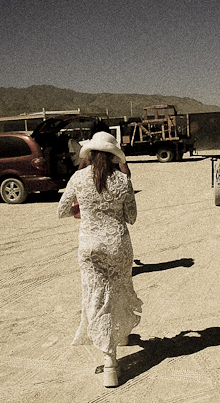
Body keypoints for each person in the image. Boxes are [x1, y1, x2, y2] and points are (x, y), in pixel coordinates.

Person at [57, 131, 142, 388]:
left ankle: (109, 361)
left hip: (90, 248)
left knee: (96, 297)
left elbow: (61, 210)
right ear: (113, 155)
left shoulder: (78, 178)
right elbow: (132, 217)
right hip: (118, 245)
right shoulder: (122, 180)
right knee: (118, 292)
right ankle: (119, 339)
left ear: (91, 154)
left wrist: (82, 209)